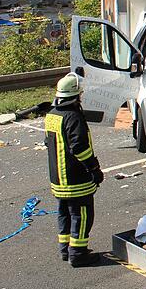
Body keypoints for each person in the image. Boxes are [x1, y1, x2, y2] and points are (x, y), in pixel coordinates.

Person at [45, 73, 104, 267]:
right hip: (76, 179)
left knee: (64, 213)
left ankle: (66, 250)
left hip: (58, 179)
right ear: (75, 95)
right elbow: (80, 148)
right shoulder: (73, 117)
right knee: (82, 214)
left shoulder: (52, 115)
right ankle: (78, 253)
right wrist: (94, 168)